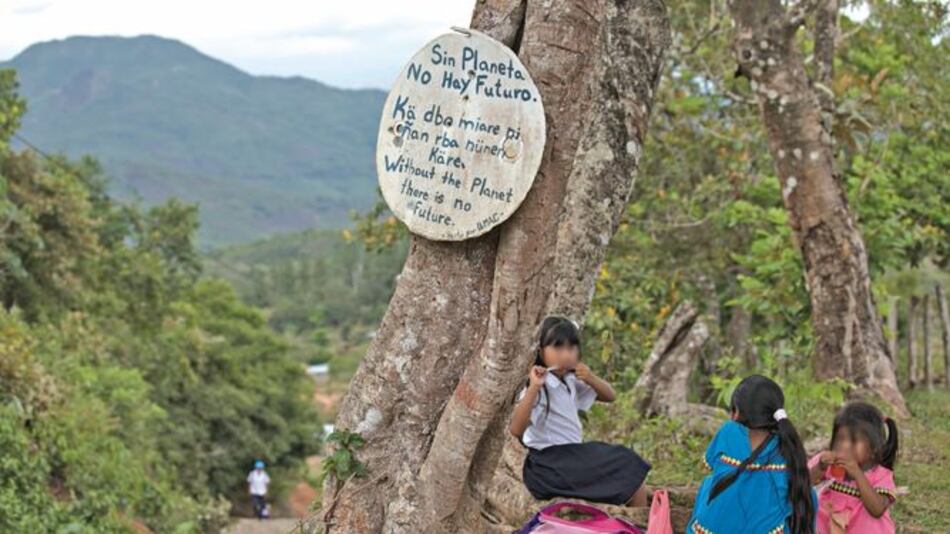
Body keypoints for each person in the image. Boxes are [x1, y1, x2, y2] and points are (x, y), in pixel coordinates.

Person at [509, 316, 651, 507]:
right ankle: (637, 517)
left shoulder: (570, 380)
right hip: (548, 465)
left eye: (571, 348)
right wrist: (534, 386)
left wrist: (591, 378)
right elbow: (516, 429)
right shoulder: (538, 387)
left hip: (571, 457)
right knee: (625, 462)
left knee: (627, 465)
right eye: (558, 348)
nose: (566, 355)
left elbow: (610, 396)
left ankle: (637, 517)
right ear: (541, 351)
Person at [688, 375, 817, 533]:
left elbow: (710, 467)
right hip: (769, 528)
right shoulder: (787, 444)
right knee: (804, 497)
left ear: (736, 413)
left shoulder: (728, 431)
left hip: (713, 525)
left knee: (709, 484)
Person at [808, 402, 898, 533]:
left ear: (874, 448)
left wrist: (857, 473)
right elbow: (803, 485)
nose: (844, 446)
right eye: (840, 438)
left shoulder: (880, 475)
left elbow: (877, 510)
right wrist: (820, 468)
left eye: (854, 441)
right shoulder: (825, 462)